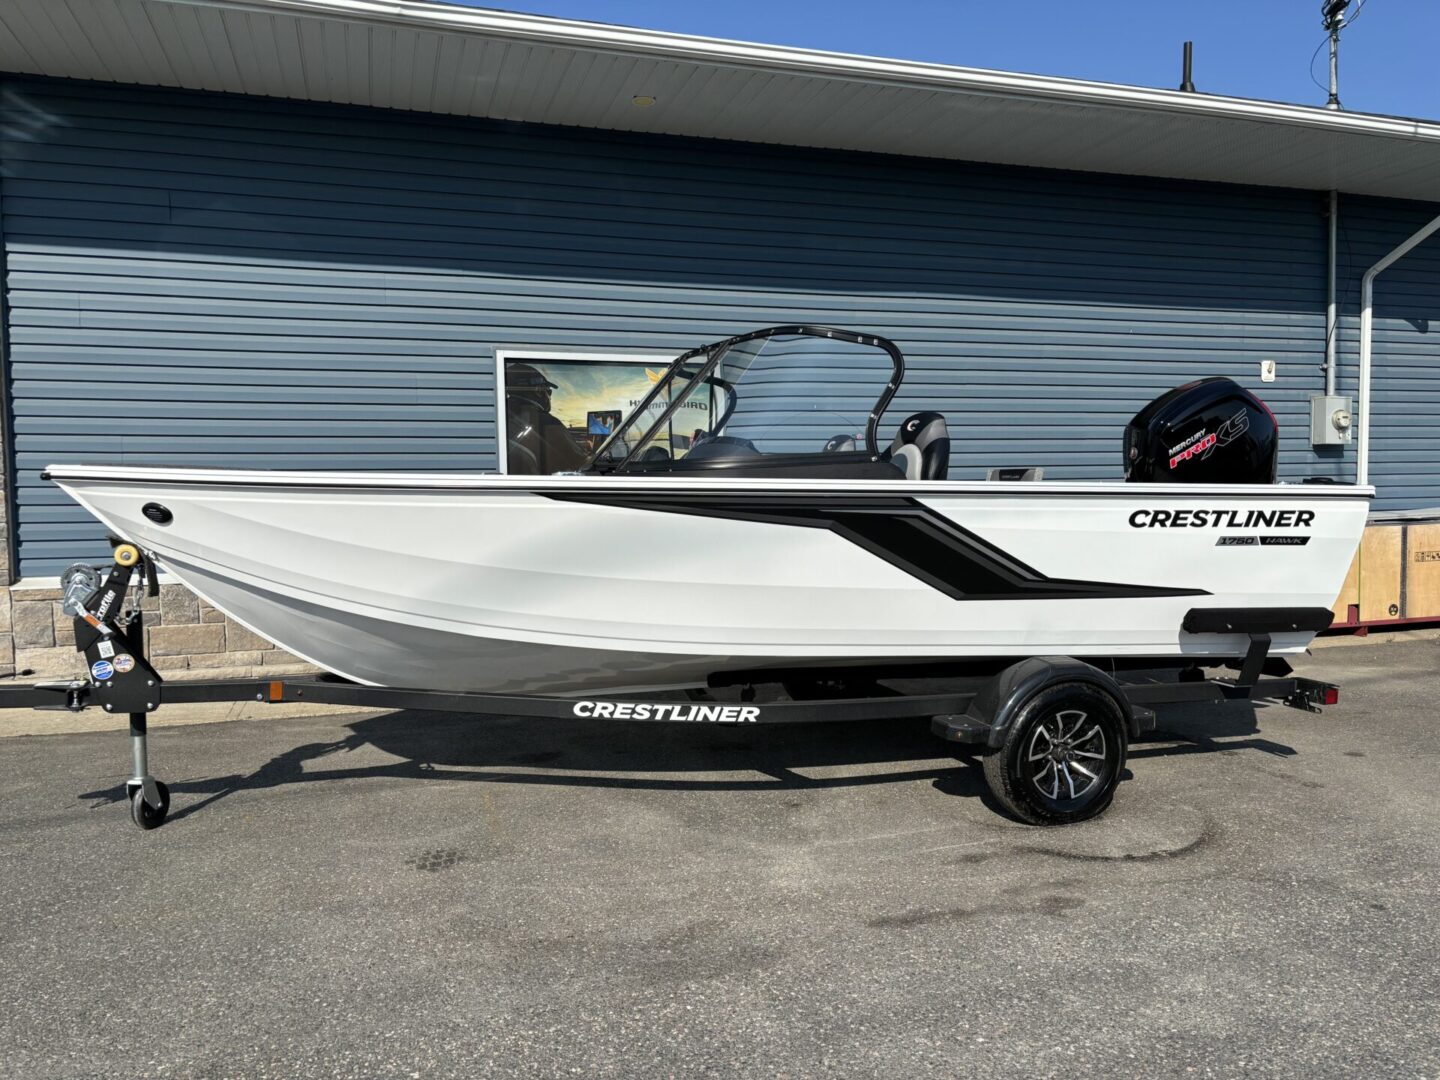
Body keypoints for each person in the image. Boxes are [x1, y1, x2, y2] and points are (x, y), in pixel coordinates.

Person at [505, 364, 588, 474]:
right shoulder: (548, 423)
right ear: (539, 391)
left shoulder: (505, 416)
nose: (549, 396)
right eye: (549, 391)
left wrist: (578, 444)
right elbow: (581, 464)